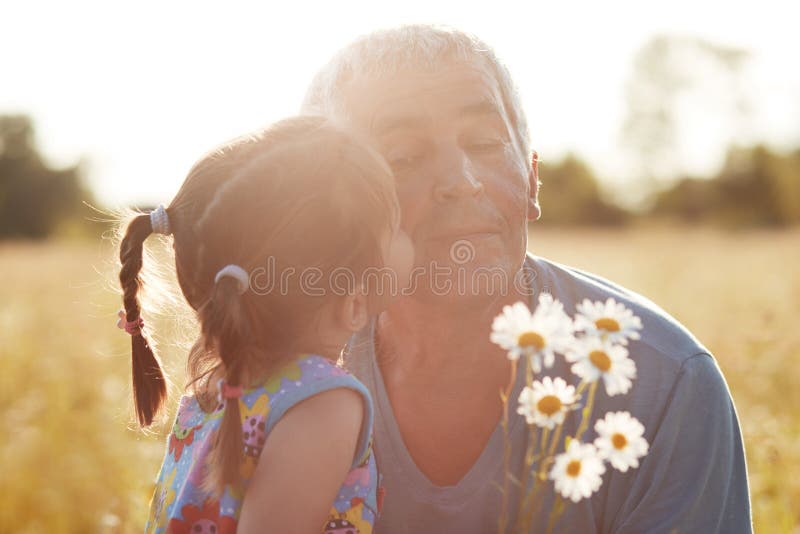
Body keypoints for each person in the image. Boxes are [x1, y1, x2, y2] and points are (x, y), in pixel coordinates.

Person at [302, 25, 752, 533]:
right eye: (404, 155)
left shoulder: (667, 387)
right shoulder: (283, 374)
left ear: (532, 177)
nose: (462, 181)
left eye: (486, 142)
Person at [117, 116, 413, 533]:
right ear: (354, 302)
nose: (409, 235)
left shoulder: (219, 386)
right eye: (396, 227)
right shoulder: (323, 404)